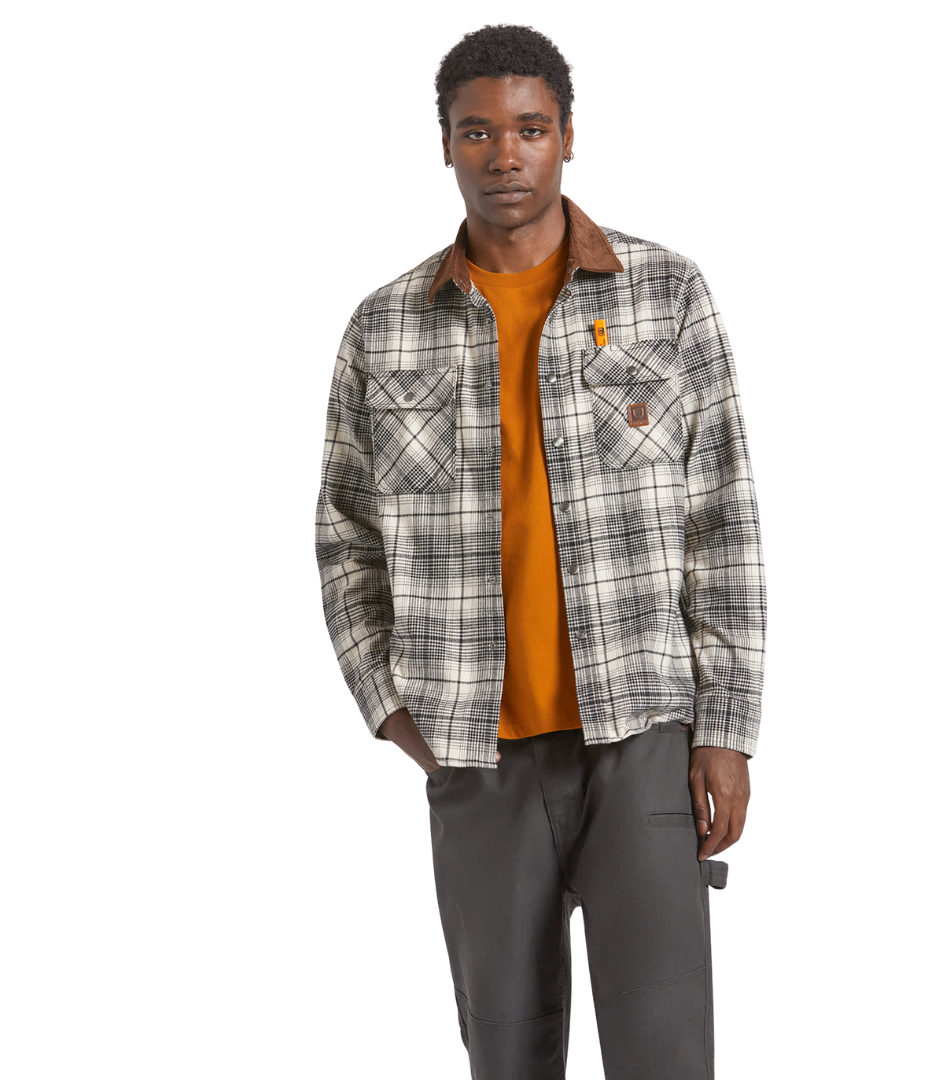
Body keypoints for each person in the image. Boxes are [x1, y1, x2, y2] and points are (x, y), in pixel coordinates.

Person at [315, 23, 767, 1080]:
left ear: (568, 135)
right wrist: (390, 705)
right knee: (506, 1052)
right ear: (445, 143)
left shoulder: (666, 295)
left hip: (640, 734)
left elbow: (725, 515)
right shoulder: (384, 327)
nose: (504, 154)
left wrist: (728, 730)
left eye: (529, 128)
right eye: (477, 131)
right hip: (475, 751)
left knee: (666, 1053)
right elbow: (343, 533)